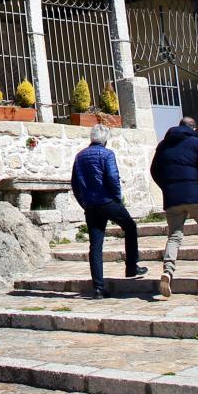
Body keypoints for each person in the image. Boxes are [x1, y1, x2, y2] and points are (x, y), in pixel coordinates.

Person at [149, 115, 198, 299]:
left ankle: (168, 271)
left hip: (172, 198)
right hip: (194, 195)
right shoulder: (197, 143)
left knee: (174, 235)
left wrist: (167, 188)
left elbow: (154, 171)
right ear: (193, 127)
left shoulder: (163, 145)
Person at [70, 124, 148, 296]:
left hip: (90, 205)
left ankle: (98, 287)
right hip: (107, 201)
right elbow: (113, 177)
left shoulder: (79, 156)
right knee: (130, 226)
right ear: (105, 140)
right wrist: (117, 198)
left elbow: (75, 184)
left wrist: (83, 203)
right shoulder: (107, 154)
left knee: (95, 246)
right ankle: (131, 266)